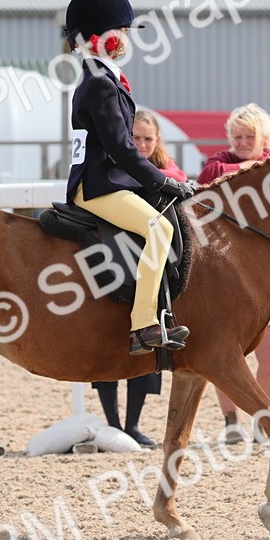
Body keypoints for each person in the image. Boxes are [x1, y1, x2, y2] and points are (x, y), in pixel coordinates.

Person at [64, 0, 196, 355]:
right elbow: (121, 148)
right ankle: (143, 324)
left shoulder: (102, 78)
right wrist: (163, 180)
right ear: (101, 37)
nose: (125, 38)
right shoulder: (100, 84)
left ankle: (163, 310)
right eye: (120, 31)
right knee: (160, 228)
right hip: (98, 184)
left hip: (107, 180)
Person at [89, 110, 187, 448]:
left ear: (157, 141)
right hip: (114, 251)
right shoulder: (110, 172)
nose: (142, 144)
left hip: (151, 262)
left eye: (148, 138)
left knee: (149, 328)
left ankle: (132, 424)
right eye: (135, 138)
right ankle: (113, 423)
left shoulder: (170, 174)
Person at [197, 103, 270, 444]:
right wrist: (256, 167)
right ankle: (231, 420)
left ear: (264, 137)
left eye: (249, 136)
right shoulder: (219, 160)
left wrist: (255, 166)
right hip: (226, 271)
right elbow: (210, 174)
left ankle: (261, 419)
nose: (241, 142)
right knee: (224, 349)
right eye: (236, 136)